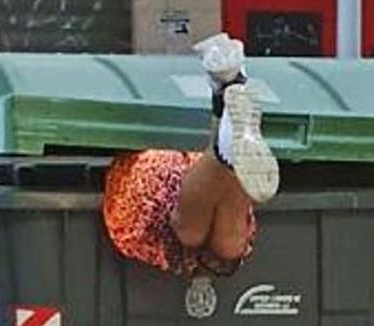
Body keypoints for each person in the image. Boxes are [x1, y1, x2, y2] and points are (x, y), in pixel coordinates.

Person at [103, 34, 279, 280]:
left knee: (196, 234)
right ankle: (227, 96)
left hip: (157, 179)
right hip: (179, 174)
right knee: (223, 243)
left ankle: (225, 135)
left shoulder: (139, 79)